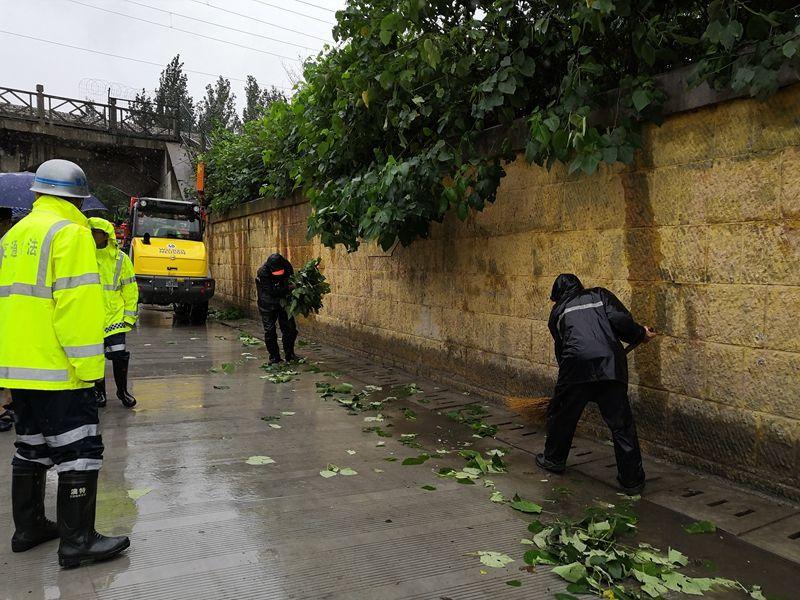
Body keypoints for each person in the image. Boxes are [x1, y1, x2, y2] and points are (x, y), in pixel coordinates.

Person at [0, 159, 130, 566]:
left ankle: (29, 527)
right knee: (80, 451)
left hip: (19, 369)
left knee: (31, 447)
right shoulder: (71, 235)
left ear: (38, 194)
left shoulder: (13, 236)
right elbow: (75, 311)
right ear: (77, 198)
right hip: (59, 371)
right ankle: (78, 541)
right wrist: (91, 372)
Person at [536, 274, 656, 495]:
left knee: (562, 417)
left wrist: (567, 382)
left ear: (557, 296)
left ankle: (553, 460)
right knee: (622, 425)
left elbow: (561, 350)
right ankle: (632, 481)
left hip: (575, 369)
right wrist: (640, 333)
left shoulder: (557, 313)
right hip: (610, 367)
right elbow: (622, 321)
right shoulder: (599, 295)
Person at [88, 217, 138, 409]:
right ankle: (99, 392)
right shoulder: (85, 256)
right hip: (91, 317)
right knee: (96, 358)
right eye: (91, 232)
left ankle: (122, 391)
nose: (93, 236)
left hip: (114, 316)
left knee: (119, 355)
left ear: (105, 235)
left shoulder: (120, 259)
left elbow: (130, 289)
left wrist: (129, 316)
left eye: (96, 233)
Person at [255, 252, 298, 364]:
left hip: (283, 302)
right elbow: (272, 291)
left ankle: (290, 354)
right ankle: (274, 356)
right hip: (267, 303)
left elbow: (291, 279)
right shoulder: (263, 272)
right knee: (270, 330)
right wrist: (289, 289)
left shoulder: (287, 266)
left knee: (290, 328)